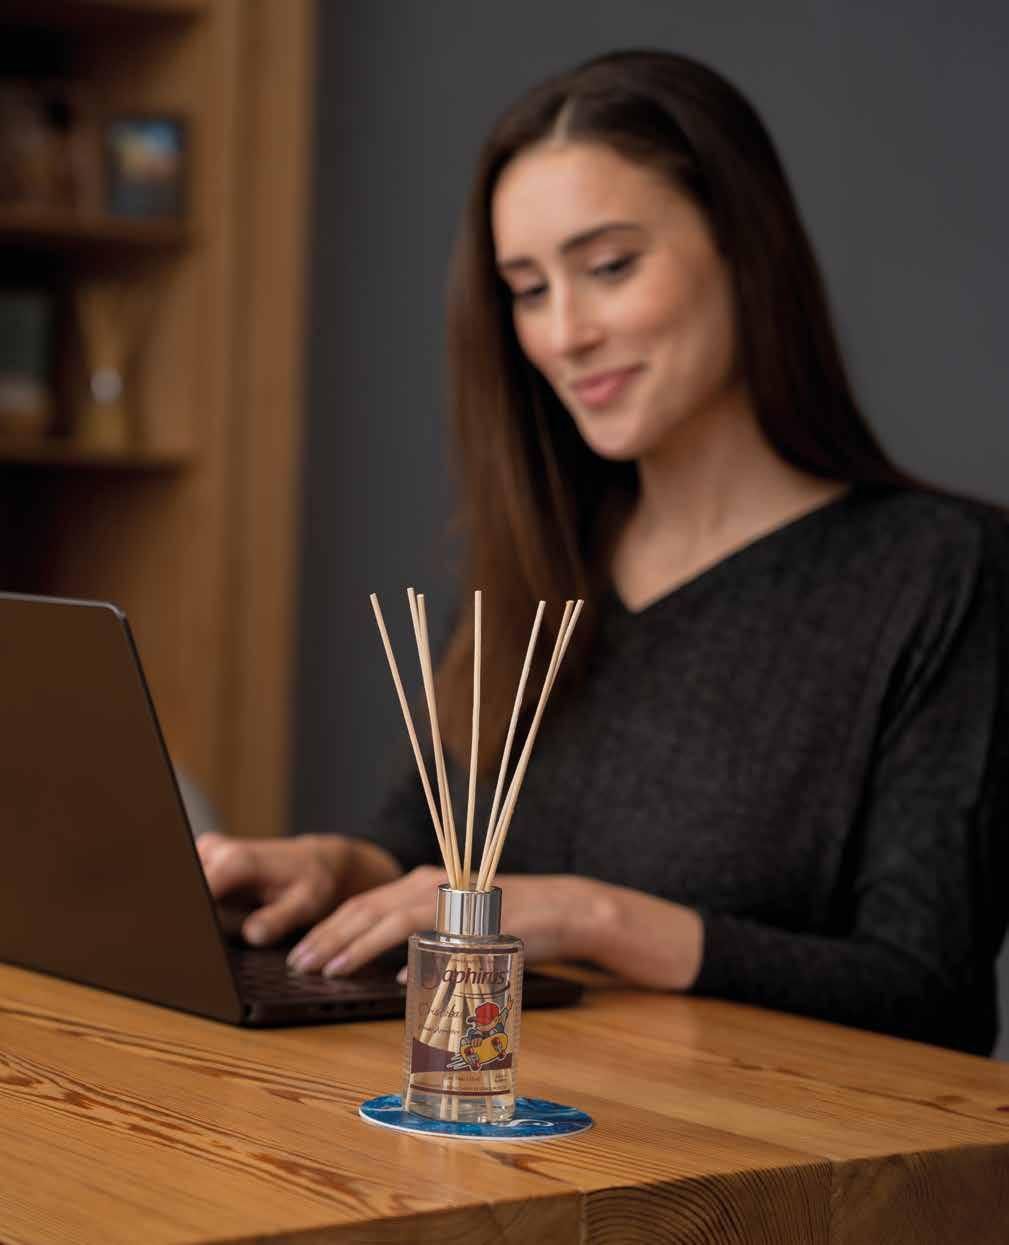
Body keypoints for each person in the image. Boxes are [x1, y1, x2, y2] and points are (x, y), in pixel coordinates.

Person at [199, 50, 1009, 1054]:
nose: (563, 332)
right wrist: (337, 868)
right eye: (527, 289)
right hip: (507, 1135)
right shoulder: (540, 561)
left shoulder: (940, 570)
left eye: (609, 266)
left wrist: (596, 919)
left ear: (743, 247)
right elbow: (434, 853)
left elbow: (926, 990)